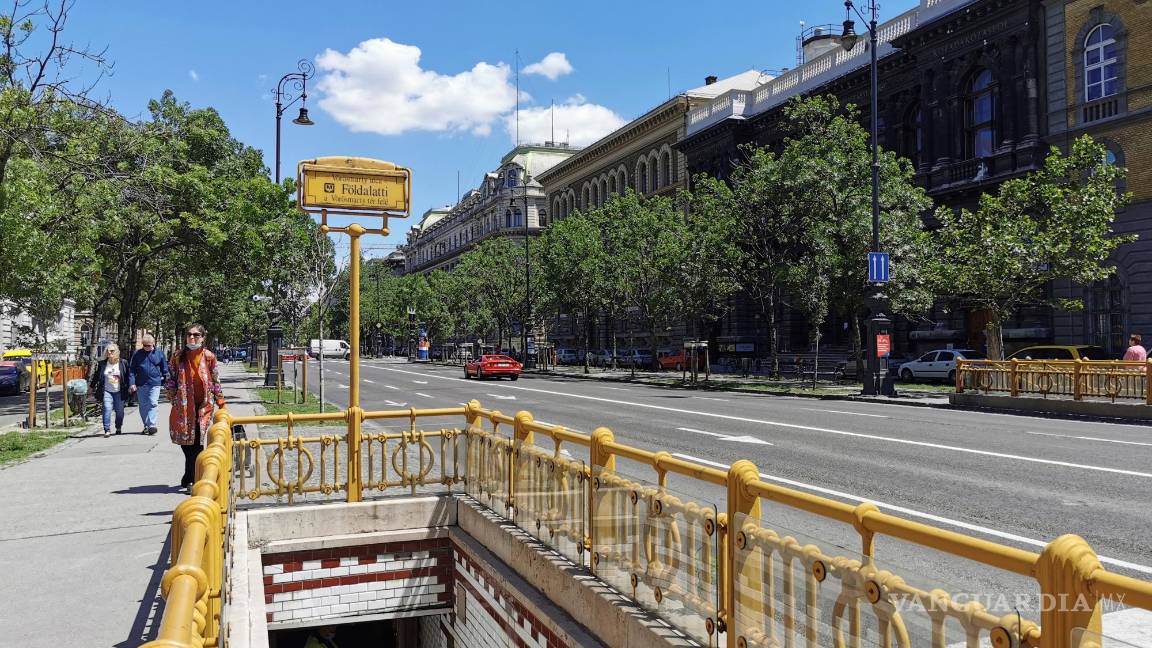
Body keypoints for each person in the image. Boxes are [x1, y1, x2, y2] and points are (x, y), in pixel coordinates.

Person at [164, 323, 225, 493]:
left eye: (196, 335)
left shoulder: (209, 357)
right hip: (183, 407)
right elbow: (171, 379)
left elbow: (215, 381)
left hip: (203, 407)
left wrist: (221, 403)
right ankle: (189, 475)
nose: (192, 338)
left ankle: (193, 479)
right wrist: (173, 397)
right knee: (186, 443)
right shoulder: (178, 357)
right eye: (189, 334)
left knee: (197, 443)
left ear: (203, 338)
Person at [129, 334, 168, 436]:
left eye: (149, 345)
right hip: (141, 383)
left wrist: (166, 379)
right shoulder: (137, 354)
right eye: (145, 345)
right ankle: (146, 426)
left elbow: (164, 368)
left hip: (155, 383)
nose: (147, 348)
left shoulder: (159, 353)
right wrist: (132, 383)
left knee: (153, 402)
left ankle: (152, 425)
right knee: (143, 406)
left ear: (153, 344)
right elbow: (132, 370)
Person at [89, 343, 130, 437]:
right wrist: (91, 387)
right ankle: (107, 429)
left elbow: (128, 376)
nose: (109, 352)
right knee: (107, 409)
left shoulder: (123, 363)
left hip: (119, 391)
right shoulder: (102, 364)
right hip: (106, 391)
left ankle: (118, 427)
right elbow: (96, 376)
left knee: (119, 412)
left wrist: (131, 385)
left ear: (116, 352)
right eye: (107, 351)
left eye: (111, 351)